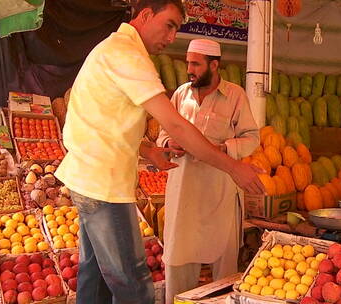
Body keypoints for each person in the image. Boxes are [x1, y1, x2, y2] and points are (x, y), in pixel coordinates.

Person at [53, 1, 264, 303]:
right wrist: (233, 166)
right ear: (146, 15)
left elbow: (100, 123)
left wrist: (148, 151)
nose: (170, 37)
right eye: (169, 25)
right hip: (103, 186)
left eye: (176, 29)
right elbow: (175, 127)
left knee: (95, 274)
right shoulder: (127, 55)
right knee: (134, 282)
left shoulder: (113, 49)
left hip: (90, 179)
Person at [156, 39, 259, 304]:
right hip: (183, 191)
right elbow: (163, 133)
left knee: (222, 265)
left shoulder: (235, 95)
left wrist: (224, 148)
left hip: (220, 191)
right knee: (178, 256)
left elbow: (252, 138)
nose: (189, 69)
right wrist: (168, 143)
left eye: (195, 64)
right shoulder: (180, 94)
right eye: (188, 62)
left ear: (214, 65)